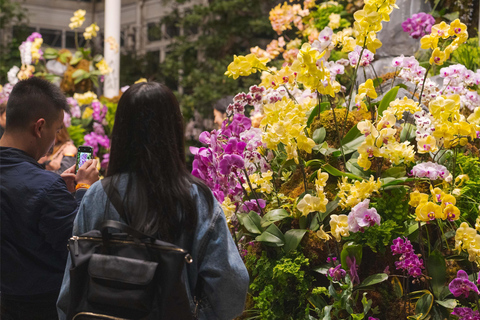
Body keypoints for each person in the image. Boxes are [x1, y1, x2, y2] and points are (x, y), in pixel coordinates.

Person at [57, 82, 249, 320]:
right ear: (173, 129)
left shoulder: (97, 195)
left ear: (121, 132)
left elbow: (71, 285)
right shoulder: (198, 198)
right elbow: (232, 287)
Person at [0, 77, 99, 320]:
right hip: (42, 306)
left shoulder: (47, 185)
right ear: (39, 127)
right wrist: (85, 189)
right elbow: (79, 245)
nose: (55, 140)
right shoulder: (45, 186)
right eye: (56, 132)